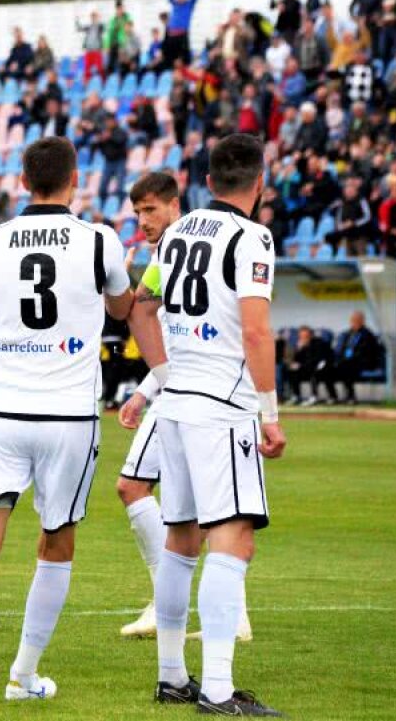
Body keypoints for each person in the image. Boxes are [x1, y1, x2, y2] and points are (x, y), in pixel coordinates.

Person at [0, 136, 134, 712]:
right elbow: (120, 307)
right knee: (56, 541)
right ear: (75, 180)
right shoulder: (100, 241)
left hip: (1, 411)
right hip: (67, 414)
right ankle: (23, 674)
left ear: (22, 179)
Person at [125, 133, 286, 716]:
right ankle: (217, 688)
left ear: (210, 181)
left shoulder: (178, 234)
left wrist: (164, 375)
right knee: (233, 541)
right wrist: (269, 414)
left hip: (178, 401)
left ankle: (172, 676)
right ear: (259, 182)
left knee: (180, 540)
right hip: (224, 403)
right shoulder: (252, 238)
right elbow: (256, 331)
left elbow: (141, 308)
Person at [116, 173, 256, 641]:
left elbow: (147, 313)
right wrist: (146, 388)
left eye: (151, 210)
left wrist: (157, 385)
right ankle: (220, 612)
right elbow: (168, 327)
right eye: (137, 213)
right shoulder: (175, 250)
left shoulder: (180, 245)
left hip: (196, 393)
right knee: (162, 496)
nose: (144, 220)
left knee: (147, 491)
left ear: (175, 205)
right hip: (182, 390)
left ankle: (177, 603)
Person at [330, 311, 385, 404]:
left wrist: (348, 359)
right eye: (353, 320)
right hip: (346, 361)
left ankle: (351, 396)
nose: (354, 323)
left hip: (363, 362)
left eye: (357, 320)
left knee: (347, 367)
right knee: (330, 368)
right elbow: (341, 349)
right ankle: (333, 397)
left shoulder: (367, 334)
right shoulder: (347, 334)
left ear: (362, 321)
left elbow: (366, 352)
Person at [158, 0, 205, 69]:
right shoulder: (174, 2)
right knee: (167, 61)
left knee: (185, 61)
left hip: (182, 36)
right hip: (170, 36)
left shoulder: (189, 4)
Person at [284, 326, 336, 405]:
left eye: (306, 336)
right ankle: (296, 396)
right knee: (292, 372)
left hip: (323, 369)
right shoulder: (302, 345)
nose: (304, 338)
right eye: (302, 336)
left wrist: (301, 365)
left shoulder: (319, 343)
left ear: (311, 335)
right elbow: (298, 360)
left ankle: (314, 396)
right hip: (307, 368)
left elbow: (316, 360)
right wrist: (299, 349)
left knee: (314, 373)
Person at [96, 114, 129, 201]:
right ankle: (103, 205)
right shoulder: (104, 132)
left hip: (120, 161)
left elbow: (120, 140)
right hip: (108, 161)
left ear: (114, 121)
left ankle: (120, 206)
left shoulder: (121, 131)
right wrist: (100, 141)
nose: (108, 123)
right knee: (102, 188)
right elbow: (100, 147)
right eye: (107, 121)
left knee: (120, 188)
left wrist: (109, 137)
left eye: (110, 121)